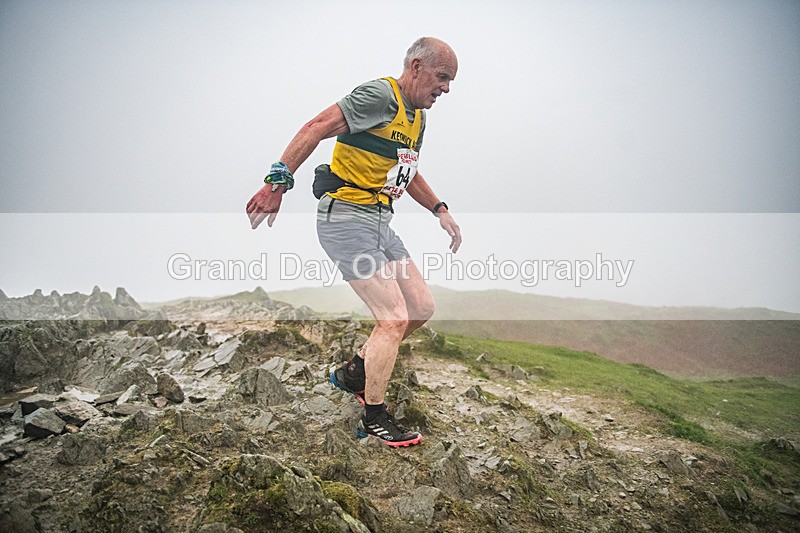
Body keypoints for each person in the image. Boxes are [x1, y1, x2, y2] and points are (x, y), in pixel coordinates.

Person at [246, 37, 461, 448]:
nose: (446, 89)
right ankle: (374, 417)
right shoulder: (380, 95)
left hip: (380, 220)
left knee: (420, 308)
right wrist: (277, 182)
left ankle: (354, 372)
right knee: (393, 318)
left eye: (450, 82)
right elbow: (315, 127)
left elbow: (407, 172)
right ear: (416, 67)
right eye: (441, 77)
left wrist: (440, 209)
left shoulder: (417, 118)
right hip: (346, 217)